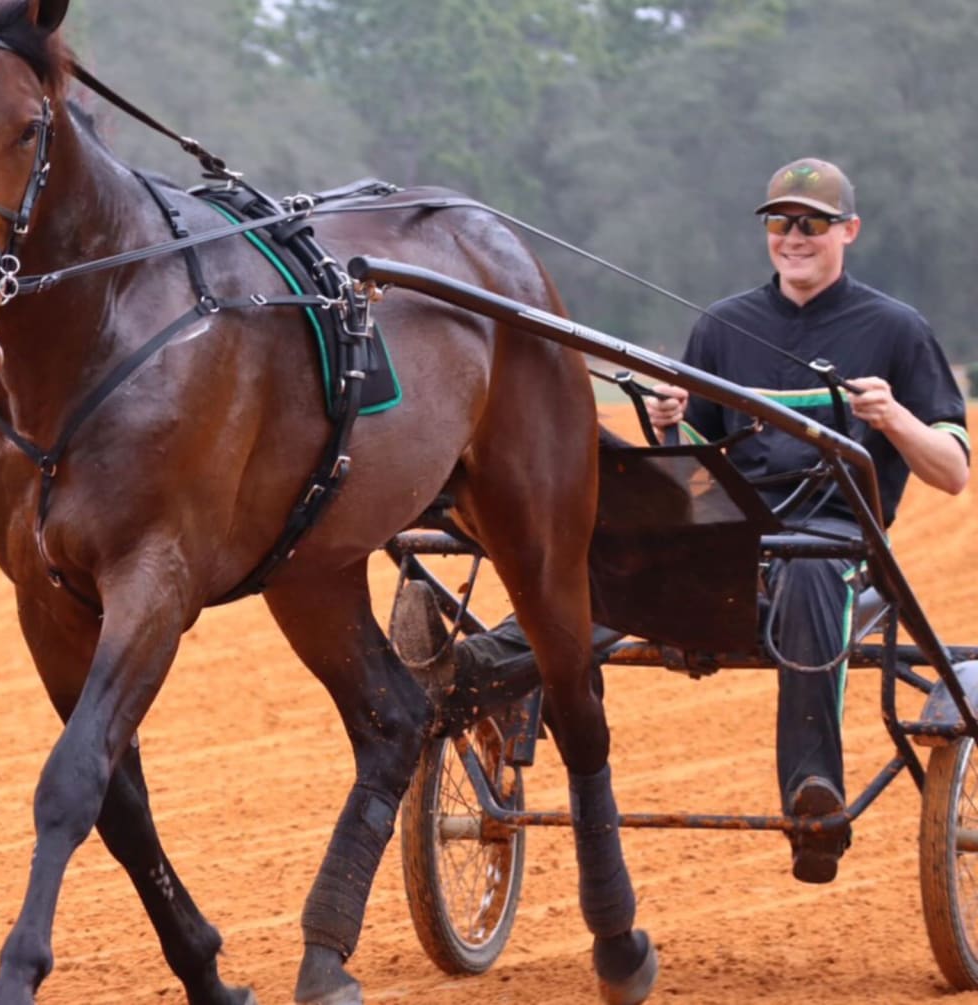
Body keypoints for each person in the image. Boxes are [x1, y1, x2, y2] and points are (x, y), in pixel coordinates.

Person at [394, 157, 971, 885]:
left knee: (810, 568)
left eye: (812, 225)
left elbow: (953, 469)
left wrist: (894, 417)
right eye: (781, 223)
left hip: (836, 529)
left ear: (847, 231)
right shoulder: (725, 325)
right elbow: (694, 458)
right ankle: (470, 671)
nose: (794, 237)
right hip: (726, 519)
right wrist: (668, 425)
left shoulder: (896, 329)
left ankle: (813, 799)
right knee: (620, 546)